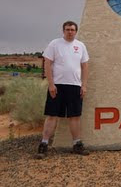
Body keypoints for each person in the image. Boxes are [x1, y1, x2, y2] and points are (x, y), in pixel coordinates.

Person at [36, 20, 89, 159]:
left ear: (76, 31)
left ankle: (77, 144)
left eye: (72, 29)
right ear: (63, 31)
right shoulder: (55, 44)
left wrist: (84, 85)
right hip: (57, 86)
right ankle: (44, 144)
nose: (70, 32)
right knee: (52, 115)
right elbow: (47, 64)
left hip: (75, 86)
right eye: (67, 29)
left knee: (75, 116)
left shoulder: (81, 46)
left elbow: (85, 67)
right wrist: (51, 84)